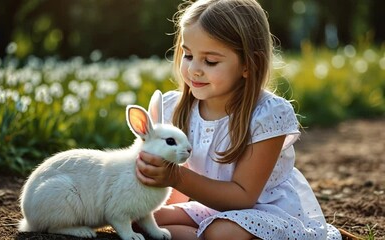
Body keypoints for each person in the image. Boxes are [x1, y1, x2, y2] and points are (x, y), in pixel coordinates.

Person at [136, 0, 342, 239]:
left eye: (210, 61)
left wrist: (175, 177)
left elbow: (243, 197)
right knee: (147, 218)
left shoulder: (266, 115)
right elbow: (179, 193)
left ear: (248, 64)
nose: (194, 70)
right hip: (210, 208)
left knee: (222, 233)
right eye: (188, 55)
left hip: (263, 212)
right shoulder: (176, 107)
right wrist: (156, 197)